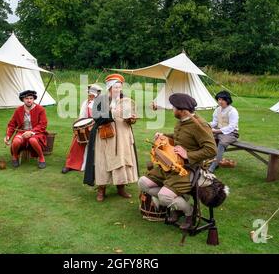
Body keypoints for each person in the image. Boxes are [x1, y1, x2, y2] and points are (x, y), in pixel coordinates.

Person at [138, 93, 217, 230]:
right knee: (143, 183)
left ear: (182, 110)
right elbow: (180, 137)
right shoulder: (182, 120)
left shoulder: (200, 125)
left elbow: (211, 150)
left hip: (187, 170)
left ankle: (190, 212)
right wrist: (164, 136)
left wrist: (188, 154)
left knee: (164, 197)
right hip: (170, 165)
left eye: (174, 107)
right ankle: (178, 204)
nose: (172, 109)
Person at [83, 74, 139, 202]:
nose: (118, 90)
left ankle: (121, 187)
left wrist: (132, 119)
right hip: (106, 135)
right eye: (115, 87)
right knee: (103, 162)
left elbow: (130, 118)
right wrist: (111, 112)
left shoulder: (125, 100)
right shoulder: (100, 100)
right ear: (109, 88)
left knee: (122, 159)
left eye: (119, 87)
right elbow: (97, 117)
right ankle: (101, 190)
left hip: (123, 134)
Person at [62, 84, 102, 174]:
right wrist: (78, 124)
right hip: (87, 126)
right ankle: (71, 164)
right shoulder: (86, 102)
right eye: (89, 93)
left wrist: (95, 125)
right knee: (76, 140)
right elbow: (82, 116)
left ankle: (95, 166)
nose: (89, 95)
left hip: (99, 127)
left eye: (92, 94)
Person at [4, 90, 48, 169]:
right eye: (26, 98)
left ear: (33, 99)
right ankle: (15, 156)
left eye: (31, 98)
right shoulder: (18, 110)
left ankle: (41, 157)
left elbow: (43, 124)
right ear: (23, 99)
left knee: (33, 140)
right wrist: (8, 136)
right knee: (16, 141)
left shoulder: (41, 109)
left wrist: (31, 132)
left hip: (36, 133)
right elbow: (12, 125)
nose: (29, 100)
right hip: (22, 132)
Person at [208, 91, 239, 173]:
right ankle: (211, 160)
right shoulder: (217, 110)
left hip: (231, 133)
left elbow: (232, 126)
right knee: (208, 139)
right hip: (219, 130)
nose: (220, 102)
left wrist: (217, 131)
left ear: (227, 100)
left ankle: (213, 166)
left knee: (222, 143)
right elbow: (215, 122)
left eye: (222, 100)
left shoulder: (233, 111)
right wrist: (207, 125)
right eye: (218, 99)